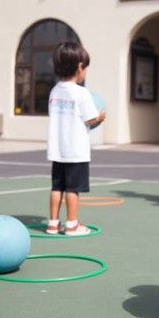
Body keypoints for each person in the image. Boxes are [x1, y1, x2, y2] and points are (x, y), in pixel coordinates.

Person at [46, 41, 105, 236]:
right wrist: (101, 117)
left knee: (57, 187)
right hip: (76, 151)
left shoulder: (54, 91)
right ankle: (72, 225)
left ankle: (53, 224)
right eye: (85, 68)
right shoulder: (82, 93)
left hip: (57, 150)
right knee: (73, 189)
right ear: (80, 67)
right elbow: (90, 119)